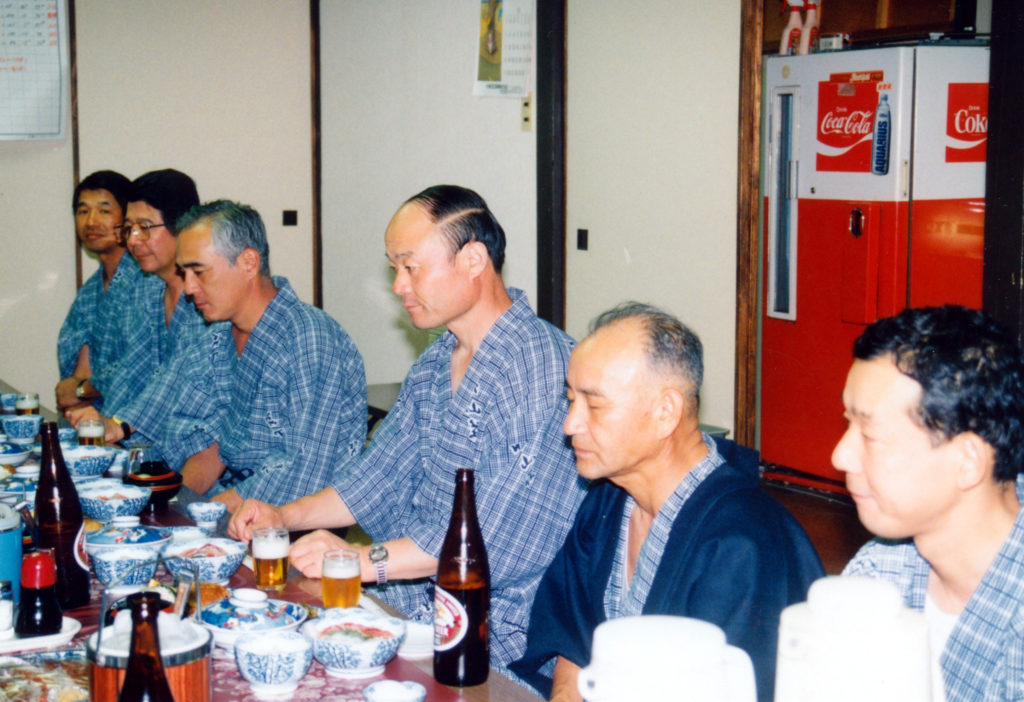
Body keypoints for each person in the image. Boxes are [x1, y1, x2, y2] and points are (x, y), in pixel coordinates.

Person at [228, 185, 586, 671]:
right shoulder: (437, 362)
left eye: (411, 267)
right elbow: (373, 478)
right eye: (394, 268)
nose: (398, 286)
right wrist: (283, 517)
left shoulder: (543, 368)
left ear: (473, 260)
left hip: (494, 631)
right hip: (412, 600)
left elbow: (484, 544)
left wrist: (359, 562)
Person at [510, 303, 823, 702]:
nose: (570, 424)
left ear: (665, 412)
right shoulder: (607, 501)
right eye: (571, 400)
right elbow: (570, 634)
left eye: (595, 405)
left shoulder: (744, 543)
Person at [838, 306, 1024, 702]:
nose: (840, 456)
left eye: (869, 435)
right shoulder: (880, 569)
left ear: (967, 462)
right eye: (847, 423)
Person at [163, 199, 367, 511]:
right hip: (223, 504)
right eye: (184, 273)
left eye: (198, 272)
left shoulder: (310, 338)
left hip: (292, 519)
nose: (188, 288)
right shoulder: (216, 338)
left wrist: (208, 513)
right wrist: (177, 506)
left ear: (248, 263)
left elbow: (304, 469)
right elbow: (207, 443)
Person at [65, 169, 204, 438]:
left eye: (145, 228)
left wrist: (118, 425)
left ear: (182, 225)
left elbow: (177, 378)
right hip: (140, 436)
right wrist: (106, 422)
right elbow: (132, 370)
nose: (132, 240)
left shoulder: (206, 298)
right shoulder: (151, 292)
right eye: (129, 228)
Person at [55, 170, 140, 413]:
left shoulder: (147, 281)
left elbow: (140, 364)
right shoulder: (89, 292)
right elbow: (77, 376)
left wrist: (80, 390)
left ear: (128, 218)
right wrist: (77, 389)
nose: (91, 221)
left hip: (133, 422)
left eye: (104, 211)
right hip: (91, 419)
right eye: (83, 211)